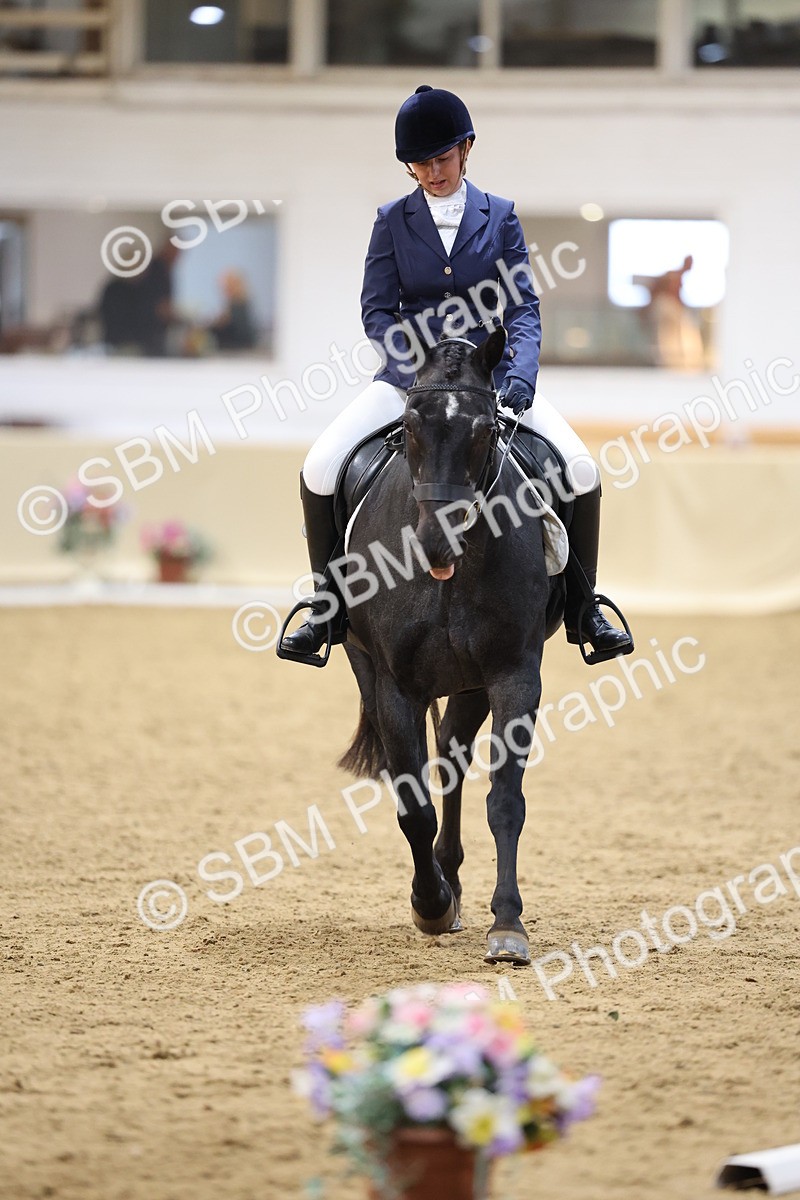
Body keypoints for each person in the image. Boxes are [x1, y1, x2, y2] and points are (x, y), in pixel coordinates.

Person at [280, 84, 633, 665]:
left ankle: (583, 609)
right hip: (411, 381)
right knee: (320, 467)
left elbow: (522, 307)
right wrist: (412, 367)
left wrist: (518, 375)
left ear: (466, 149)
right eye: (419, 164)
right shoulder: (392, 220)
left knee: (581, 470)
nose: (432, 172)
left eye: (441, 158)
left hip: (488, 379)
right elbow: (377, 309)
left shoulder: (501, 215)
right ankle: (325, 610)